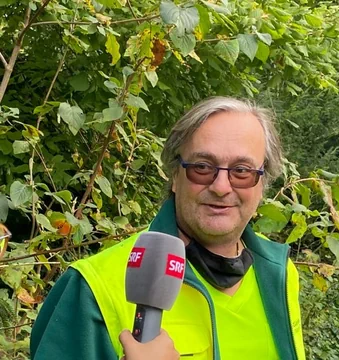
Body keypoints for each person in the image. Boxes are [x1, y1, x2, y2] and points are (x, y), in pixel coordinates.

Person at [30, 97, 305, 360]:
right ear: (175, 175)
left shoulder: (279, 275)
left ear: (262, 184)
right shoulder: (93, 287)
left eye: (242, 171)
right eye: (202, 167)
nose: (221, 187)